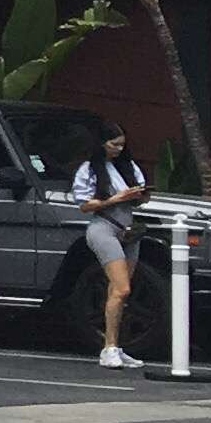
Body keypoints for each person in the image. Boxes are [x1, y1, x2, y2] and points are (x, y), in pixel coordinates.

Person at [67, 122, 152, 369]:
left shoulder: (128, 167)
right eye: (113, 144)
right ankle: (109, 348)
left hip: (128, 227)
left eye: (121, 145)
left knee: (119, 292)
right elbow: (83, 205)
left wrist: (140, 196)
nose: (117, 149)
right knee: (121, 287)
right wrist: (114, 198)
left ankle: (114, 344)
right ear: (101, 143)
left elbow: (138, 201)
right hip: (104, 226)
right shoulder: (89, 169)